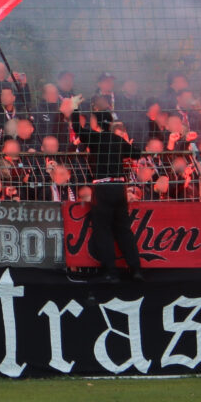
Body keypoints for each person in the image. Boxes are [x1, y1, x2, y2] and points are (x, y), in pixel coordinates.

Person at [73, 97, 141, 282]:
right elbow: (136, 153)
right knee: (123, 230)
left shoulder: (94, 138)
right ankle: (135, 269)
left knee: (103, 230)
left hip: (102, 188)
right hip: (119, 187)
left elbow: (78, 129)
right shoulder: (117, 139)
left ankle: (111, 272)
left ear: (95, 122)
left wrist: (74, 110)